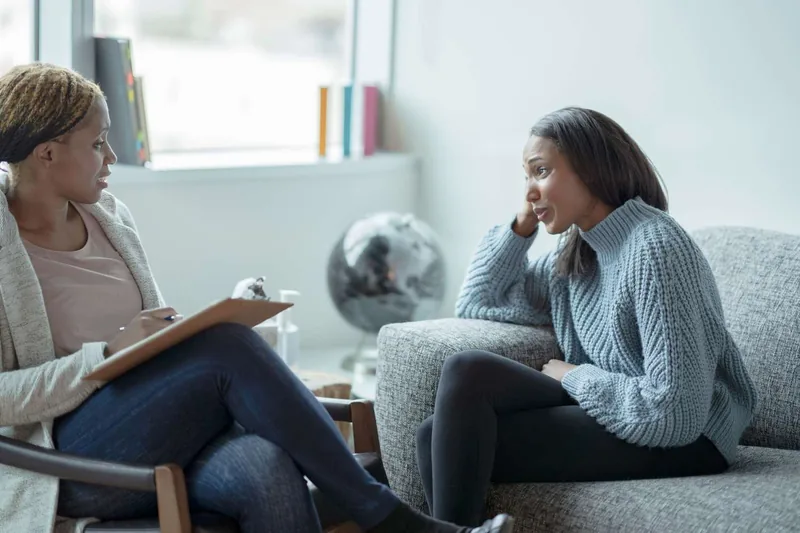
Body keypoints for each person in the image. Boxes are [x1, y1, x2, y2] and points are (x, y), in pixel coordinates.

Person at [0, 63, 514, 533]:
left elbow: (146, 334)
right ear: (46, 152)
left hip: (157, 430)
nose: (110, 157)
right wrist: (106, 355)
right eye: (98, 144)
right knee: (224, 345)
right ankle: (394, 522)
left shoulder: (109, 217)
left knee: (264, 468)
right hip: (66, 461)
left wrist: (186, 326)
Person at [415, 107, 759, 526]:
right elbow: (478, 301)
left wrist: (573, 376)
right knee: (450, 402)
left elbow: (675, 415)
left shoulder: (655, 247)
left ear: (590, 169)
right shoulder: (578, 256)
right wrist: (522, 225)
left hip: (690, 437)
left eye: (540, 172)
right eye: (525, 177)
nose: (529, 190)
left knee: (449, 420)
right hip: (621, 408)